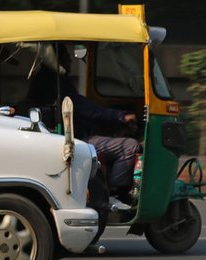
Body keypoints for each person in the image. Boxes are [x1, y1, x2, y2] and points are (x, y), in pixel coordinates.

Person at [50, 44, 140, 210]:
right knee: (129, 146)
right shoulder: (57, 81)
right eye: (66, 55)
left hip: (66, 134)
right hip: (77, 139)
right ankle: (115, 194)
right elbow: (82, 108)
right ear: (57, 59)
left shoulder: (48, 79)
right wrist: (119, 116)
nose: (70, 59)